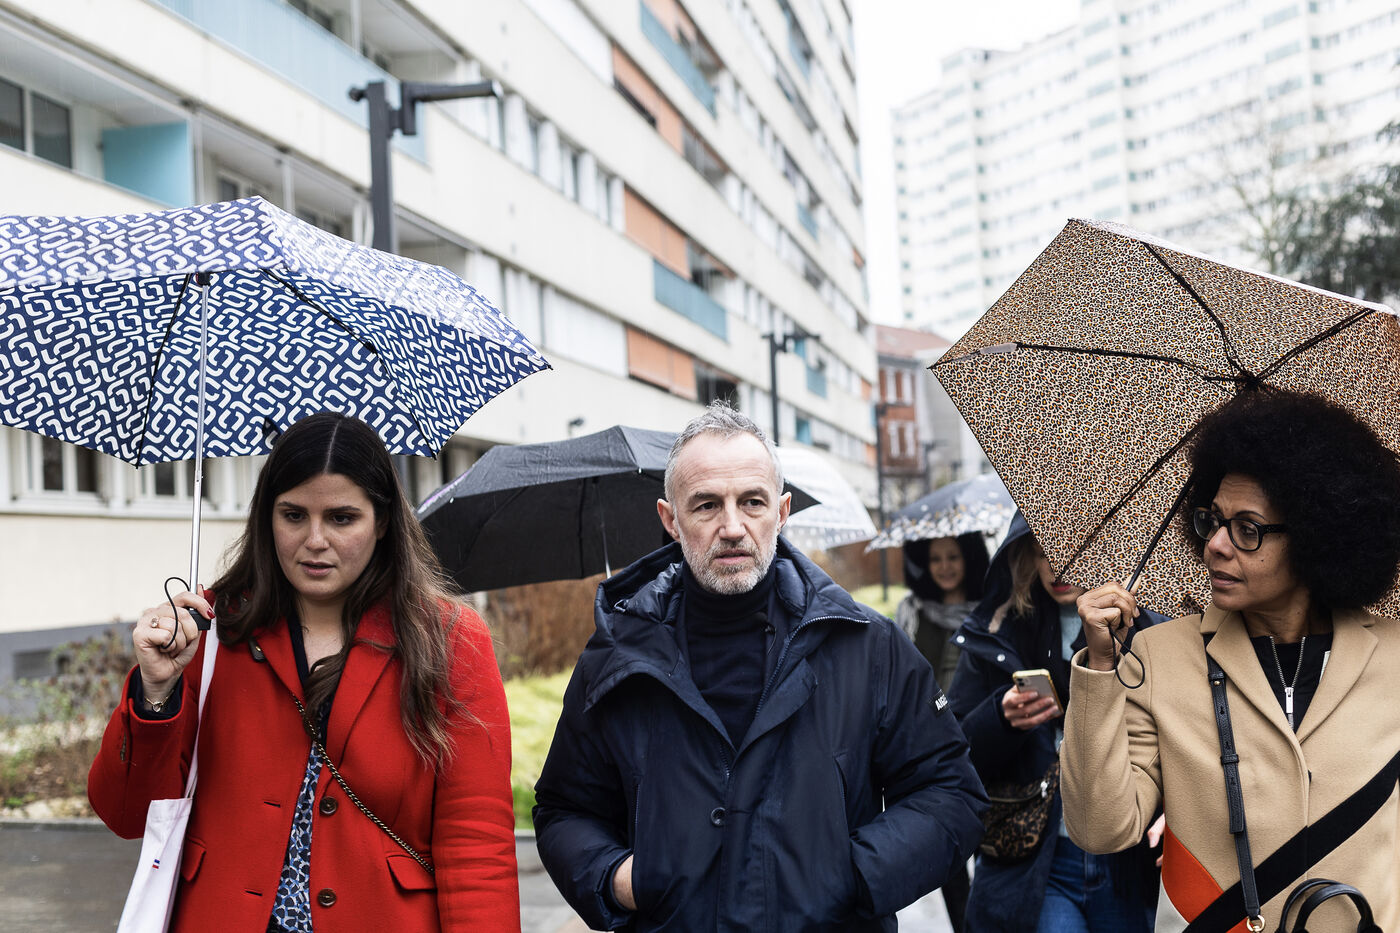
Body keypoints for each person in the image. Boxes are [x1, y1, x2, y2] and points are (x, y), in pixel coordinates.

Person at [533, 400, 987, 932]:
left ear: (782, 510)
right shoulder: (617, 657)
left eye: (752, 502)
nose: (732, 526)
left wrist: (853, 874)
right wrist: (618, 879)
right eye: (706, 505)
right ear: (670, 520)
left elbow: (950, 793)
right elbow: (565, 808)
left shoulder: (868, 645)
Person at [88, 412, 519, 932]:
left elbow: (476, 840)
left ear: (382, 522)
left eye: (341, 518)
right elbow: (126, 815)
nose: (315, 540)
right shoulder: (209, 630)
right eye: (293, 515)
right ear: (266, 517)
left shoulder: (448, 639)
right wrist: (156, 691)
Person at [1064, 389, 1400, 930]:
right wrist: (1099, 670)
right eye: (1213, 520)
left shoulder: (1394, 656)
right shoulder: (1159, 657)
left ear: (1316, 536)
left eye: (1248, 529)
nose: (1216, 545)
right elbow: (1099, 828)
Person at [948, 513, 1159, 933]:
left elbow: (1178, 739)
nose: (1057, 566)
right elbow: (952, 752)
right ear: (1025, 557)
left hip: (1125, 854)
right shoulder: (997, 631)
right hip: (1035, 857)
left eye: (1071, 550)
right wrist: (1001, 718)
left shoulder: (1147, 631)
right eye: (1043, 552)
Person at [894, 532, 989, 933]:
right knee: (947, 850)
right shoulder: (912, 612)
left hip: (981, 742)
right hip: (930, 749)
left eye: (953, 556)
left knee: (988, 846)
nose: (945, 566)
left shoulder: (990, 611)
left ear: (969, 557)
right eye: (936, 559)